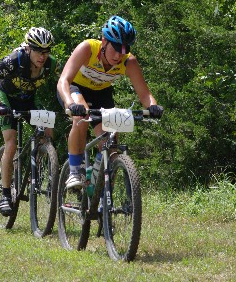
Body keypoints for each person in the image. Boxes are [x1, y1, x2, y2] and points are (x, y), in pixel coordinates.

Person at [57, 15, 164, 189]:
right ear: (104, 41)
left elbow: (145, 94)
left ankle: (102, 192)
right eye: (115, 48)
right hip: (75, 88)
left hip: (101, 93)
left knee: (111, 144)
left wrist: (153, 106)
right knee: (82, 116)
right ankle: (75, 170)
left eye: (124, 49)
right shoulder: (87, 49)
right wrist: (70, 104)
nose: (118, 55)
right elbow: (63, 81)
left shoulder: (129, 61)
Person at [0, 27, 57, 216]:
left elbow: (66, 79)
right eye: (39, 51)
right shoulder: (14, 60)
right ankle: (6, 194)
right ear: (29, 49)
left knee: (48, 130)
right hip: (7, 98)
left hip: (29, 99)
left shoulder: (51, 65)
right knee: (11, 143)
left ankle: (41, 167)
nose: (43, 56)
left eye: (46, 51)